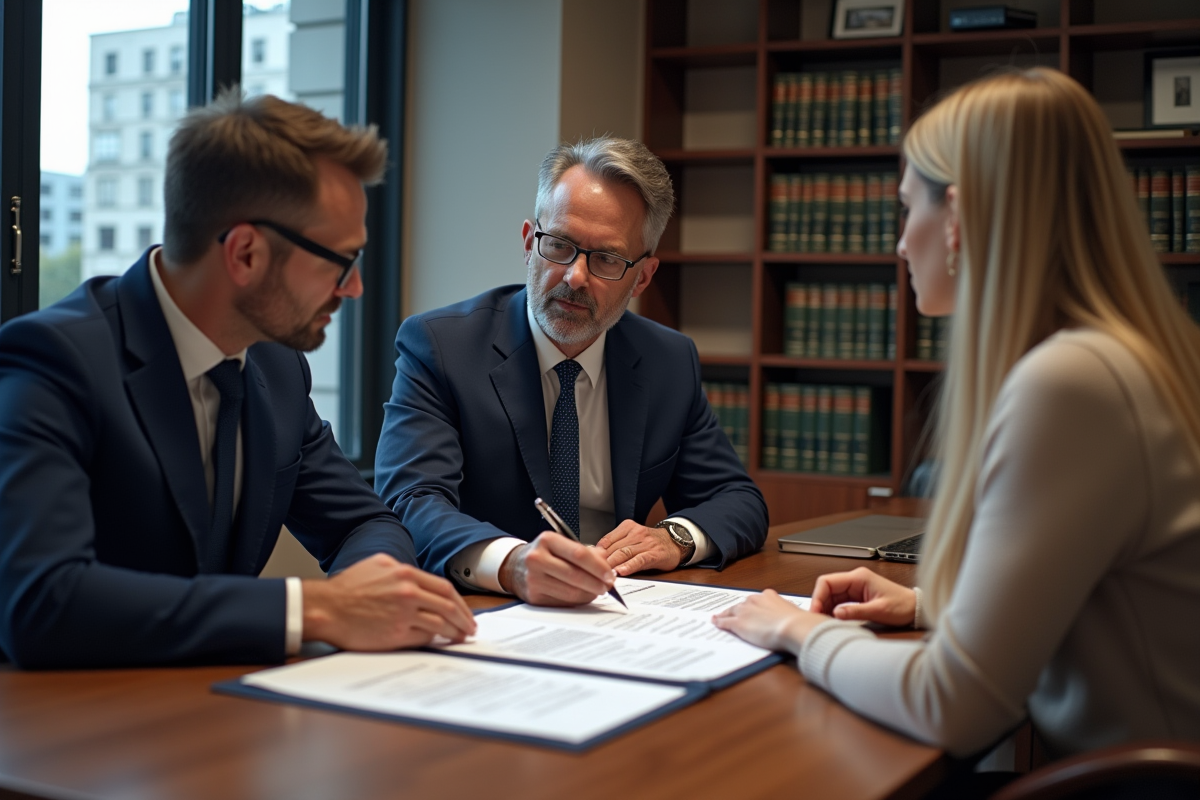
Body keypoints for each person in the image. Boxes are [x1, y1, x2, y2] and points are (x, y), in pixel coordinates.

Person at [713, 67, 1200, 763]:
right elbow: (1093, 587)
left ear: (959, 218)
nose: (900, 243)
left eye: (907, 208)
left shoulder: (1072, 382)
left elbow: (954, 704)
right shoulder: (1135, 355)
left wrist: (798, 633)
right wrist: (928, 606)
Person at [0, 91, 475, 669]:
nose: (353, 289)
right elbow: (43, 601)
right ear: (246, 253)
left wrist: (369, 604)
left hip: (225, 700)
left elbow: (365, 522)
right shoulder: (53, 359)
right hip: (71, 713)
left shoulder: (276, 365)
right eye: (340, 262)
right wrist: (316, 609)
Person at [375, 137, 768, 605]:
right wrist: (511, 563)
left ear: (642, 277)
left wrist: (675, 537)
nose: (575, 276)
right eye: (559, 245)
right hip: (489, 606)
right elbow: (412, 500)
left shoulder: (668, 359)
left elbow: (738, 499)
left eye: (607, 259)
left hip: (624, 608)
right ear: (529, 243)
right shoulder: (442, 347)